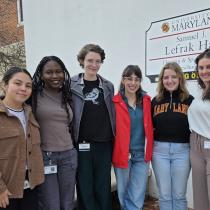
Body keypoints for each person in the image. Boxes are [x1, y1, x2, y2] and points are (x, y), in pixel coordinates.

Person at [71, 43, 115, 210]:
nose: (94, 65)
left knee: (103, 186)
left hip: (104, 144)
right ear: (82, 61)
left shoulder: (108, 86)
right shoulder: (72, 85)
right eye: (90, 60)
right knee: (85, 186)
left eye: (98, 61)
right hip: (82, 145)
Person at [32, 56, 77, 210]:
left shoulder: (67, 95)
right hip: (46, 157)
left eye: (58, 71)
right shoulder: (33, 96)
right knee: (51, 204)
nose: (55, 76)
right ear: (41, 74)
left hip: (69, 156)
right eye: (49, 72)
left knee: (67, 204)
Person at [0, 67, 44, 210]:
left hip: (31, 185)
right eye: (17, 83)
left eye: (28, 85)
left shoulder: (30, 113)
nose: (23, 88)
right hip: (6, 190)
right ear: (4, 85)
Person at [151, 62, 194, 210]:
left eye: (173, 77)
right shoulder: (155, 101)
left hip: (182, 151)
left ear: (180, 78)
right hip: (159, 152)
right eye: (166, 77)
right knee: (164, 194)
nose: (169, 80)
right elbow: (149, 126)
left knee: (179, 195)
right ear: (162, 80)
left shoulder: (190, 100)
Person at [112, 65, 153, 210]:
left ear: (140, 81)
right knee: (123, 192)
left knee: (138, 191)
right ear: (123, 80)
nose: (133, 83)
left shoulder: (147, 101)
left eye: (137, 79)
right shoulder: (115, 102)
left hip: (141, 154)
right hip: (123, 153)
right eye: (129, 78)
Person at [187, 48, 210, 210]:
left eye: (208, 67)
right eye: (201, 68)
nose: (204, 71)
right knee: (199, 191)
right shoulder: (199, 90)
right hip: (195, 144)